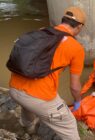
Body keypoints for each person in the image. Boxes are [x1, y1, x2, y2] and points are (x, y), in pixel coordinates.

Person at [8, 6, 86, 140]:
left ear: (63, 20)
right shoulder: (76, 48)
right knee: (69, 124)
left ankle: (28, 130)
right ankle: (29, 129)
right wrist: (78, 101)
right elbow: (74, 86)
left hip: (14, 87)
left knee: (28, 108)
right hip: (39, 98)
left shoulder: (42, 31)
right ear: (79, 27)